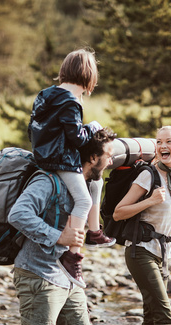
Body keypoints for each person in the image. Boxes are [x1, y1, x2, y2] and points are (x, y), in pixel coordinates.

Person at [8, 128, 116, 325]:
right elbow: (18, 214)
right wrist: (58, 236)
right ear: (93, 158)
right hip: (38, 274)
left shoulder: (85, 187)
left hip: (68, 278)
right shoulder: (50, 181)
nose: (111, 162)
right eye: (108, 156)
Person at [27, 48, 115, 288]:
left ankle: (94, 232)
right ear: (89, 77)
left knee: (95, 182)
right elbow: (77, 138)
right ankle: (72, 256)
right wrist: (93, 127)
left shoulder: (45, 94)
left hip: (42, 155)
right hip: (61, 160)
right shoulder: (71, 102)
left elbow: (34, 127)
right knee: (83, 201)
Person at [113, 125, 171, 325]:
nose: (163, 146)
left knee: (151, 318)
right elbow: (119, 212)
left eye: (169, 141)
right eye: (159, 142)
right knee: (165, 320)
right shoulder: (147, 176)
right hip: (140, 251)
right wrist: (150, 201)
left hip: (164, 255)